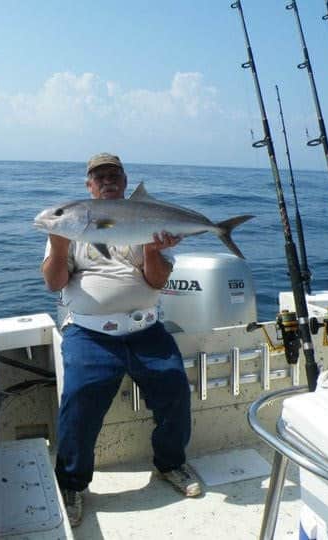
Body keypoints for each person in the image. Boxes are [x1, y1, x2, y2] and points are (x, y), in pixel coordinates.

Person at [41, 153, 200, 527]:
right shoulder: (74, 222)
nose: (107, 180)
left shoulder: (146, 218)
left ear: (125, 181)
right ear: (89, 187)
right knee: (80, 401)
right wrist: (60, 244)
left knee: (175, 390)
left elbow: (157, 282)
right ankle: (72, 483)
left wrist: (152, 248)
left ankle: (171, 465)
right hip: (90, 334)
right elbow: (54, 283)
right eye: (99, 176)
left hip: (146, 330)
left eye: (114, 175)